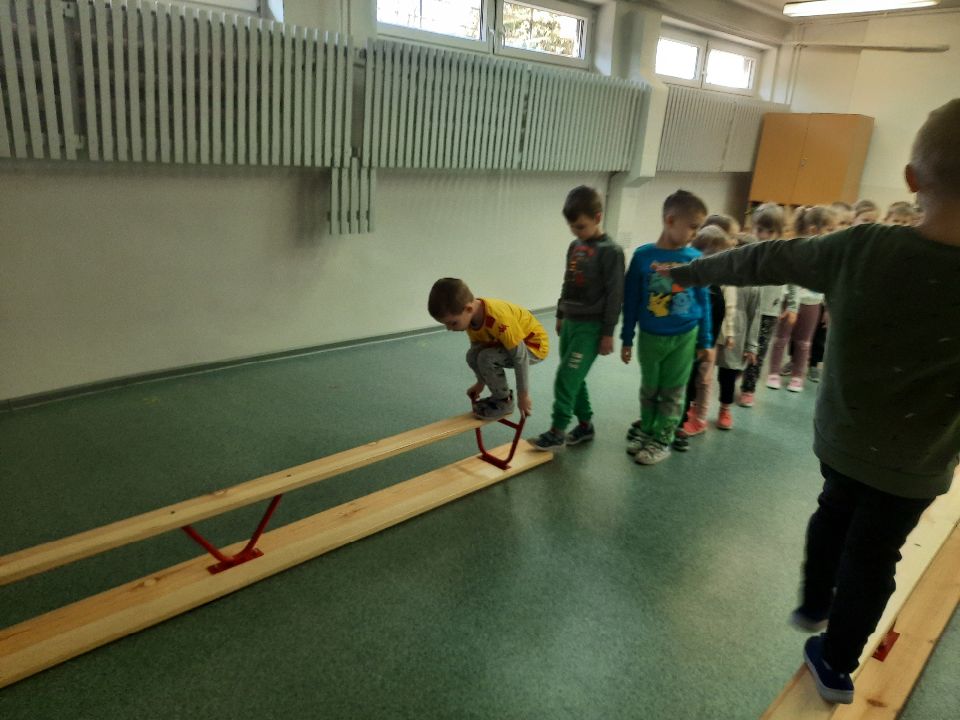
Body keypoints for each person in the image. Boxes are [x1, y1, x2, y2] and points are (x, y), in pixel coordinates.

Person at [655, 98, 960, 705]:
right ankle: (837, 666)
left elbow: (765, 258)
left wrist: (690, 273)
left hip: (844, 442)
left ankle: (816, 600)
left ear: (911, 179)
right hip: (918, 464)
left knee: (833, 512)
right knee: (875, 557)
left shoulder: (862, 247)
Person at [530, 186, 625, 451]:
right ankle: (585, 426)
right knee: (575, 377)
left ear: (598, 217)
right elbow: (568, 281)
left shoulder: (611, 251)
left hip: (592, 327)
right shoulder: (575, 246)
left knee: (566, 377)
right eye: (572, 227)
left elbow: (615, 294)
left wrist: (608, 333)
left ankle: (557, 430)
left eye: (581, 226)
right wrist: (561, 313)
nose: (576, 232)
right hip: (571, 322)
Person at [620, 190, 711, 465]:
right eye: (693, 226)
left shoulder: (696, 258)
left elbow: (703, 301)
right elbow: (631, 300)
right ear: (670, 220)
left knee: (673, 391)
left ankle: (663, 438)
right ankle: (647, 429)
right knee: (650, 388)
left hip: (684, 336)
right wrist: (627, 338)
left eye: (699, 228)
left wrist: (706, 341)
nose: (696, 234)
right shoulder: (643, 256)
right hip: (650, 336)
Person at [428, 278, 549, 420]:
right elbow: (476, 352)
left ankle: (504, 401)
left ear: (469, 309)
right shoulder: (471, 318)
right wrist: (480, 383)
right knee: (472, 355)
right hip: (504, 342)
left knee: (486, 357)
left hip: (533, 346)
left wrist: (523, 396)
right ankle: (500, 396)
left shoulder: (499, 319)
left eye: (453, 323)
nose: (449, 329)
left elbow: (520, 358)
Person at [766, 205, 837, 393]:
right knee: (781, 338)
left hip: (812, 304)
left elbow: (828, 283)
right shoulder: (798, 249)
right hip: (790, 303)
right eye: (830, 229)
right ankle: (773, 373)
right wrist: (792, 306)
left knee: (804, 343)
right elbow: (791, 280)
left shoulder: (828, 255)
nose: (834, 233)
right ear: (814, 230)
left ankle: (798, 376)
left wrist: (828, 308)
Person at [676, 225, 736, 439]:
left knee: (700, 380)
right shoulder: (691, 278)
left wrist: (710, 343)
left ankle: (694, 419)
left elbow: (721, 314)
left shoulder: (718, 287)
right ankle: (675, 414)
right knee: (681, 379)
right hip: (685, 338)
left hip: (705, 342)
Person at [739, 204, 787, 408]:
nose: (764, 235)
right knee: (741, 344)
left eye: (770, 231)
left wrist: (792, 306)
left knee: (758, 351)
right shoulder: (748, 250)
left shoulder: (783, 254)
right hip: (746, 308)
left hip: (769, 311)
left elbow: (793, 280)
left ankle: (749, 388)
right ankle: (737, 370)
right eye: (759, 229)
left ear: (779, 232)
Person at [713, 235, 761, 430]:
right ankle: (695, 407)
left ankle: (725, 408)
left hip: (736, 335)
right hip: (713, 328)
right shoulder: (718, 274)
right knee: (702, 373)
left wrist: (751, 346)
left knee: (728, 374)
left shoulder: (753, 284)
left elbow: (755, 315)